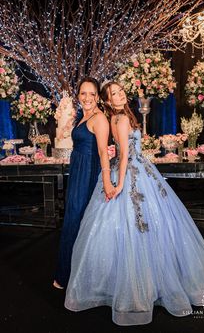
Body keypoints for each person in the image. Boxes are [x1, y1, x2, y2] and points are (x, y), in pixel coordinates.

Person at [64, 81, 204, 325]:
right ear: (108, 101)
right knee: (136, 227)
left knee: (152, 225)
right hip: (131, 173)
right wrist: (120, 184)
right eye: (114, 94)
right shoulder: (119, 120)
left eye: (121, 91)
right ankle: (137, 286)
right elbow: (122, 156)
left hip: (141, 170)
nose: (120, 95)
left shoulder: (123, 116)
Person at [53, 77, 115, 290]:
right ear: (78, 96)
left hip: (89, 173)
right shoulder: (82, 115)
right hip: (78, 169)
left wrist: (106, 181)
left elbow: (102, 151)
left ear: (98, 96)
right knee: (74, 219)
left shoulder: (99, 119)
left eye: (91, 94)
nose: (87, 98)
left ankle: (72, 276)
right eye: (83, 93)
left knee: (79, 220)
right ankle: (70, 274)